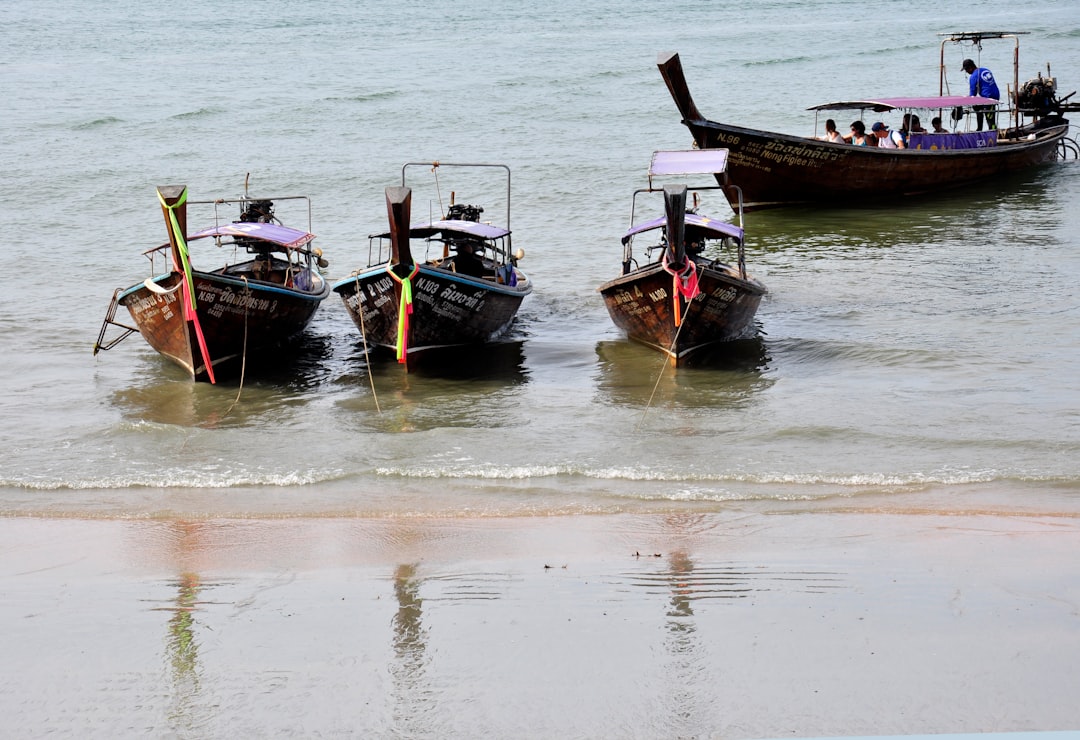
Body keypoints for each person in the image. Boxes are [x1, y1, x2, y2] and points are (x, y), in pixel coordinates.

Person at [962, 58, 1000, 131]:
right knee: (978, 107)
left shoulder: (973, 76)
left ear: (970, 68)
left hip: (988, 98)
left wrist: (967, 102)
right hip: (996, 95)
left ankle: (989, 131)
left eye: (966, 70)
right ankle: (980, 128)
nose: (966, 72)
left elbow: (973, 94)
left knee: (989, 118)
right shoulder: (985, 70)